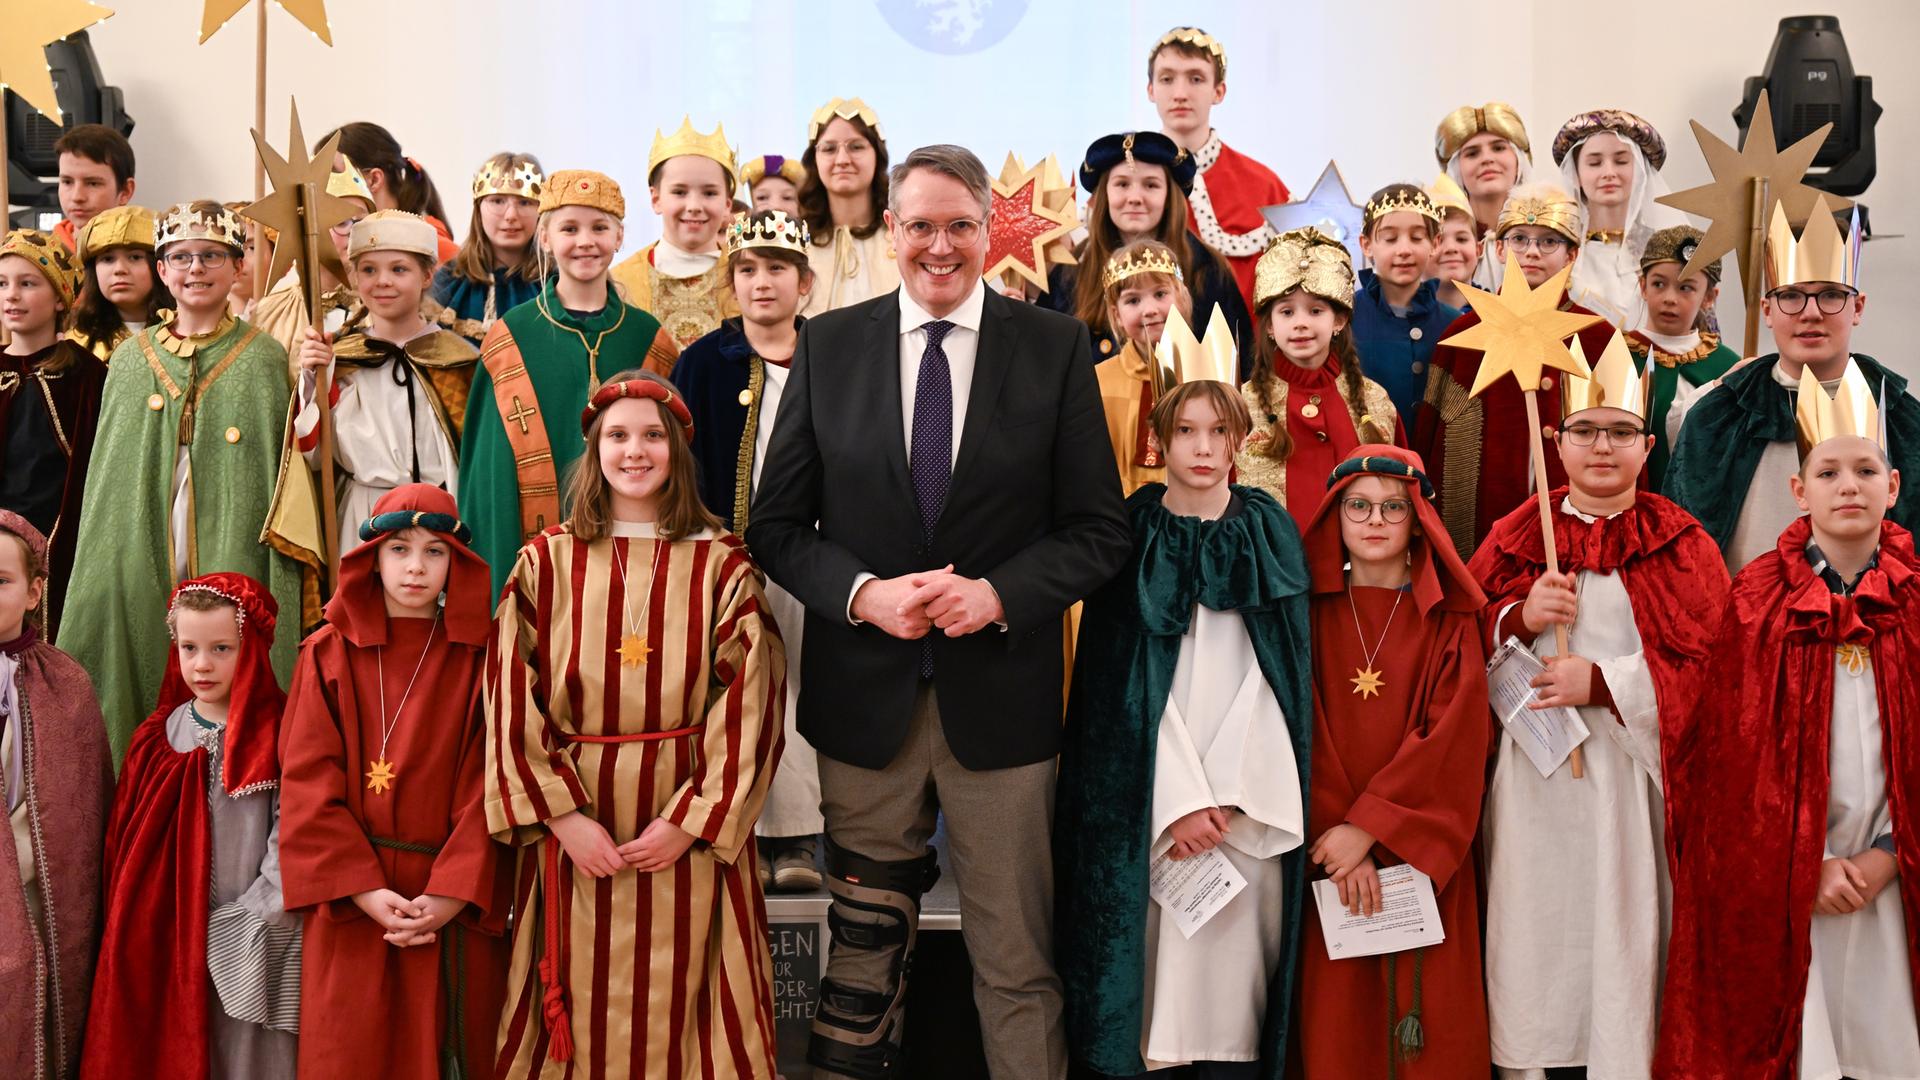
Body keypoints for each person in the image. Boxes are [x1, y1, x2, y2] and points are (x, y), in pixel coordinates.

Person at [747, 144, 1131, 1080]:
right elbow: (776, 526)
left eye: (961, 224)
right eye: (920, 225)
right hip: (862, 709)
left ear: (988, 230)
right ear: (890, 232)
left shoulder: (1051, 347)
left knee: (1015, 964)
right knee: (861, 958)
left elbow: (1097, 531)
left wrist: (999, 594)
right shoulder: (829, 344)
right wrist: (862, 595)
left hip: (1000, 711)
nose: (940, 245)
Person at [486, 369, 785, 1076]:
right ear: (593, 451)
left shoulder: (722, 565)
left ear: (679, 452)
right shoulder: (545, 562)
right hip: (578, 817)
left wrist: (691, 820)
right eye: (617, 436)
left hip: (684, 820)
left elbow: (752, 696)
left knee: (695, 1009)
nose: (635, 451)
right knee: (575, 1009)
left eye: (654, 435)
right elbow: (508, 697)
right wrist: (561, 818)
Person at [1469, 337, 1729, 1078]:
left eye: (1620, 432)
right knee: (1535, 935)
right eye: (1585, 430)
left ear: (1648, 447)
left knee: (1620, 938)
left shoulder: (1683, 547)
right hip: (1534, 782)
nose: (1602, 447)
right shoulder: (1517, 536)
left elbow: (1711, 670)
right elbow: (1455, 646)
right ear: (1557, 441)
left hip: (1628, 786)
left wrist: (1607, 684)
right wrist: (1516, 617)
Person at [1658, 364, 1920, 1078]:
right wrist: (1805, 864)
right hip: (1788, 888)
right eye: (1829, 471)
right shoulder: (1754, 603)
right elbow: (1726, 766)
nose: (1849, 485)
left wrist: (1888, 856)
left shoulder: (1919, 602)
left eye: (1867, 469)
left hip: (1893, 878)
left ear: (1892, 488)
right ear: (1798, 491)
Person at [1056, 379, 1310, 1078]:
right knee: (1152, 982)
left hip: (1245, 811)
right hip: (1152, 808)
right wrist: (1178, 799)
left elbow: (1278, 678)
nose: (1203, 448)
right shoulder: (1130, 530)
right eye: (1187, 432)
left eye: (1218, 432)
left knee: (1233, 997)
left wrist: (1227, 795)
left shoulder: (1268, 529)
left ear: (1241, 441)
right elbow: (1117, 685)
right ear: (1158, 442)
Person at [277, 484, 508, 1079]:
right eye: (400, 549)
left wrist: (450, 895)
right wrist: (366, 893)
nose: (415, 567)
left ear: (456, 563)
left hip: (450, 905)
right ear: (373, 559)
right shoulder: (325, 654)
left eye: (435, 551)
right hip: (355, 907)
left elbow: (491, 783)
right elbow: (306, 783)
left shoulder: (482, 660)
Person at [58, 202, 300, 767]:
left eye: (212, 255)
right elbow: (108, 484)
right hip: (143, 541)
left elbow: (280, 468)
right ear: (163, 272)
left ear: (238, 267)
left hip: (230, 533)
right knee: (136, 653)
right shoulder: (131, 359)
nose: (197, 268)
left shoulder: (263, 358)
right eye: (181, 257)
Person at [1296, 446, 1492, 1078]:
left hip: (1419, 855)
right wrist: (1339, 837)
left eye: (1393, 507)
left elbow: (1454, 738)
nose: (1374, 519)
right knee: (1339, 1024)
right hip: (1329, 856)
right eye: (1358, 505)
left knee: (1428, 1029)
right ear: (1336, 517)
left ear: (1417, 522)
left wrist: (1372, 831)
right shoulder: (1301, 616)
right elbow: (1295, 730)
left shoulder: (1448, 620)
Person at [82, 573, 301, 1079]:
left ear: (251, 648)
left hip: (250, 930)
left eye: (221, 648)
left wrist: (251, 918)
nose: (202, 664)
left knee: (244, 1049)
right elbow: (125, 846)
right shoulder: (160, 736)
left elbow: (295, 833)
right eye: (189, 648)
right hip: (167, 933)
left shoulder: (281, 731)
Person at [673, 208, 824, 892]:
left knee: (808, 688)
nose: (762, 283)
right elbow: (687, 461)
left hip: (820, 553)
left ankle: (803, 835)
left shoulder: (835, 354)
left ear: (806, 283)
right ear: (731, 283)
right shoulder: (703, 361)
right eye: (748, 270)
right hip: (731, 555)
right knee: (740, 689)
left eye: (777, 270)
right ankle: (745, 827)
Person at [1667, 195, 1920, 571]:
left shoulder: (1902, 420)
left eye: (1831, 294)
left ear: (1859, 307)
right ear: (1767, 310)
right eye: (1791, 296)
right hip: (1744, 622)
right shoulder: (1717, 415)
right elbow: (1681, 560)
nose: (1812, 312)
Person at [459, 169, 678, 597]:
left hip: (631, 557)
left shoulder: (648, 338)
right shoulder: (511, 337)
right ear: (544, 238)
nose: (585, 242)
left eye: (599, 228)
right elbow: (488, 478)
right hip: (535, 557)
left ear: (619, 238)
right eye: (569, 228)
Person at [1413, 180, 1617, 557]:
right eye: (1520, 239)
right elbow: (1432, 440)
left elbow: (1625, 440)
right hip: (1479, 529)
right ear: (1500, 249)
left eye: (1548, 241)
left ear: (1572, 254)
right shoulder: (1461, 335)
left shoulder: (1598, 337)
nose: (1532, 252)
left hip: (1577, 527)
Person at [0, 512, 112, 1080]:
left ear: (34, 590)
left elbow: (85, 814)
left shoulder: (66, 684)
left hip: (41, 907)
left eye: (1, 581)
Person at [289, 209, 480, 540]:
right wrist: (311, 379)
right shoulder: (341, 360)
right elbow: (315, 456)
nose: (382, 281)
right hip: (363, 517)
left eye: (399, 269)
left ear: (426, 275)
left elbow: (477, 460)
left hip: (439, 515)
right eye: (368, 270)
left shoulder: (459, 361)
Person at [1236, 227, 1399, 525]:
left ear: (1338, 320)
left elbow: (1400, 499)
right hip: (1272, 568)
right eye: (1286, 312)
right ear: (1269, 325)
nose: (1300, 323)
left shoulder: (1375, 401)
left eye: (1315, 311)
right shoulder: (1241, 406)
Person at [1051, 131, 1251, 369]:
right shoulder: (1071, 271)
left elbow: (1240, 363)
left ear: (1169, 195)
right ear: (1104, 194)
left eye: (1151, 185)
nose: (1135, 197)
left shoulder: (1207, 269)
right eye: (1122, 184)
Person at [0, 229, 104, 639]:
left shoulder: (86, 376)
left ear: (61, 297)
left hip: (59, 545)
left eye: (28, 284)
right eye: (3, 283)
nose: (12, 295)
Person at [1148, 27, 1288, 311]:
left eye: (1196, 79)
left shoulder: (1264, 187)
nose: (1180, 93)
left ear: (1219, 91)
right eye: (1167, 79)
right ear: (1151, 90)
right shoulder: (1123, 185)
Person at [610, 117, 740, 348]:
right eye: (679, 192)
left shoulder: (744, 276)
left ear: (727, 204)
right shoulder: (620, 282)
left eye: (709, 193)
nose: (694, 206)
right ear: (656, 199)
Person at [1629, 225, 1739, 491]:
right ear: (1643, 286)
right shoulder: (1619, 357)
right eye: (1658, 284)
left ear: (1710, 297)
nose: (1669, 298)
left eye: (1686, 288)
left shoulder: (1726, 366)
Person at [1553, 109, 1681, 331]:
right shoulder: (1559, 249)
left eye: (1621, 161)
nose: (1609, 172)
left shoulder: (1665, 249)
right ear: (1577, 174)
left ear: (1640, 171)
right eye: (1594, 163)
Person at [250, 159, 378, 362]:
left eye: (361, 221)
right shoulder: (269, 315)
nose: (354, 232)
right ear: (306, 229)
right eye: (341, 222)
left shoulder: (384, 305)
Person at [1352, 183, 1461, 422]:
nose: (1404, 250)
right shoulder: (1344, 318)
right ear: (1366, 244)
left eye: (1416, 237)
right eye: (1390, 239)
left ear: (1435, 243)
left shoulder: (1456, 325)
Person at [1092, 239, 1192, 495]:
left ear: (1180, 297)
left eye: (1160, 294)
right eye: (1133, 301)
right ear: (1116, 315)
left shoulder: (1207, 372)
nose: (1149, 310)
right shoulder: (1097, 382)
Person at [426, 151, 546, 347]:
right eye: (497, 201)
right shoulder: (449, 281)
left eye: (524, 202)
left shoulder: (555, 284)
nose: (510, 215)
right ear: (478, 209)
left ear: (541, 210)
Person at [797, 97, 899, 315]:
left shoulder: (903, 236)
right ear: (814, 159)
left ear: (877, 156)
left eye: (856, 147)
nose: (842, 159)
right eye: (829, 149)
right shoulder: (796, 243)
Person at [322, 121, 459, 263]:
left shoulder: (432, 248)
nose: (323, 190)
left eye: (333, 175)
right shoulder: (356, 243)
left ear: (374, 180)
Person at [1434, 102, 1533, 289]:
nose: (1487, 159)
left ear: (1518, 160)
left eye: (1498, 148)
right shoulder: (1436, 239)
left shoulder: (1546, 237)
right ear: (1456, 169)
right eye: (1472, 153)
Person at [66, 204, 171, 361]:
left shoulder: (185, 335)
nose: (120, 269)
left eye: (135, 257)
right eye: (107, 259)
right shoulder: (75, 346)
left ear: (160, 266)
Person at [51, 125, 135, 251]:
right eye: (67, 182)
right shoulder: (38, 260)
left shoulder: (154, 257)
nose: (77, 197)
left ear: (125, 191)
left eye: (93, 183)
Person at [1426, 173, 1481, 312]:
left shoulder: (1500, 315)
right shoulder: (1399, 317)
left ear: (1478, 249)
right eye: (1438, 240)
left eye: (1461, 239)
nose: (1450, 248)